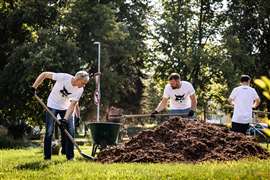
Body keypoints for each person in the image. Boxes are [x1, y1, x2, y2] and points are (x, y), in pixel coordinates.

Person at [32, 70, 90, 160]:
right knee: (49, 131)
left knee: (70, 131)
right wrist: (34, 87)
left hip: (66, 108)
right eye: (83, 83)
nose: (84, 85)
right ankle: (47, 157)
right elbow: (44, 74)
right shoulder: (63, 77)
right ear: (77, 79)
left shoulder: (80, 89)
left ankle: (70, 157)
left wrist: (65, 119)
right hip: (52, 105)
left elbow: (72, 105)